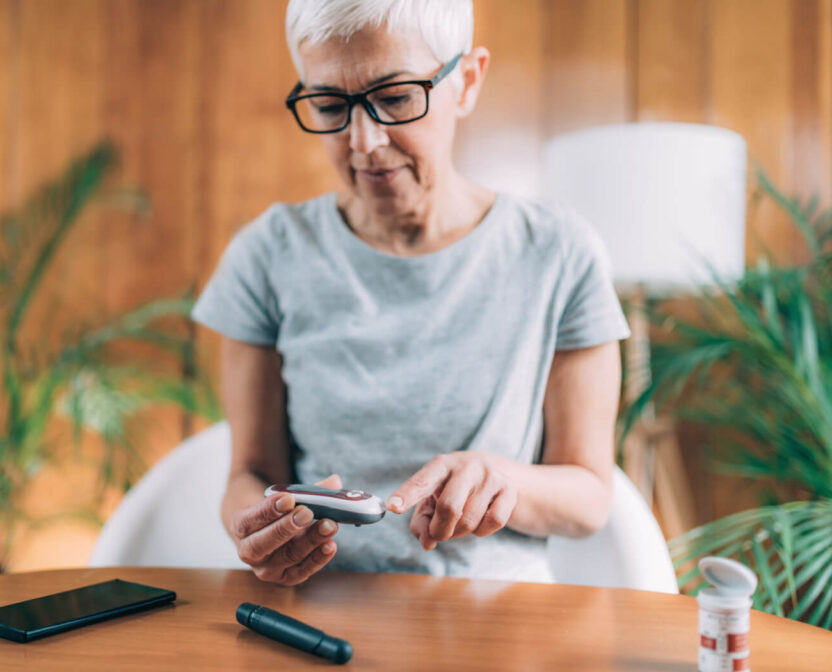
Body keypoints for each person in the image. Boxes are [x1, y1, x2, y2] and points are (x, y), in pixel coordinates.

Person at [191, 0, 630, 586]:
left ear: (467, 82)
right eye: (328, 104)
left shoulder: (558, 253)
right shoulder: (268, 254)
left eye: (395, 97)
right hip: (319, 607)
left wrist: (505, 480)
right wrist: (254, 524)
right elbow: (249, 472)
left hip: (498, 613)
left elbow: (590, 496)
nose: (364, 141)